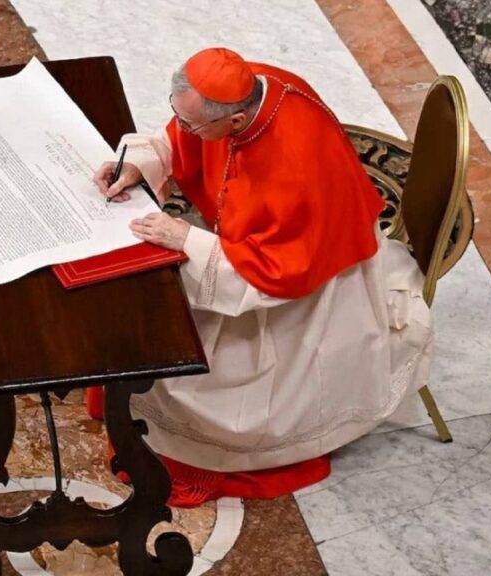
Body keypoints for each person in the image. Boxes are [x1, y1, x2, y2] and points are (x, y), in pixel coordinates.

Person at [88, 47, 433, 506]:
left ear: (233, 122)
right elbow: (179, 135)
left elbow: (273, 277)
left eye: (192, 124)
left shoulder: (296, 166)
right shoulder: (244, 90)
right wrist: (142, 162)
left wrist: (186, 239)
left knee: (193, 378)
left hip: (307, 289)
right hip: (262, 251)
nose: (184, 128)